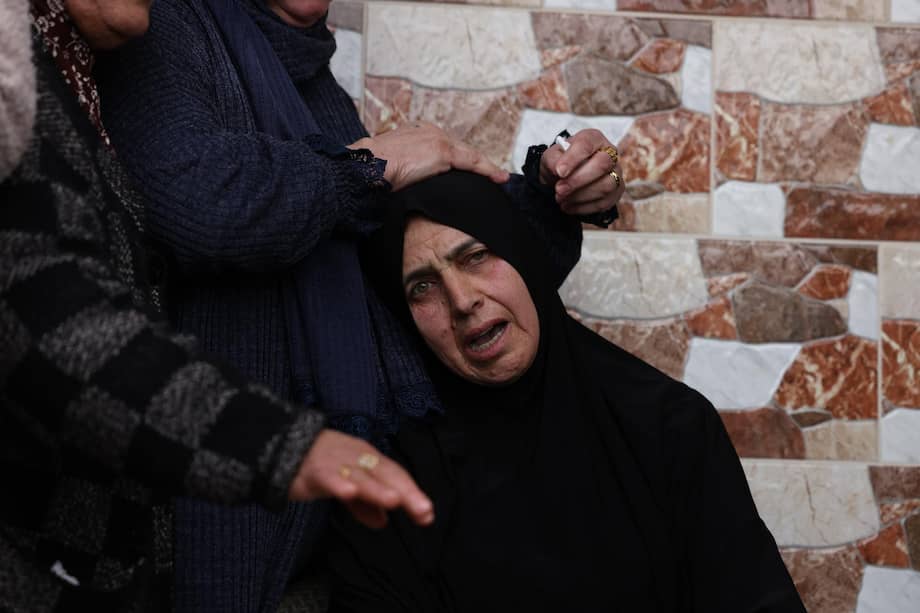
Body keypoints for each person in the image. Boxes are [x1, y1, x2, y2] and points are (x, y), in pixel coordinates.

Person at [93, 0, 626, 609]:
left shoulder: (313, 85)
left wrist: (558, 193)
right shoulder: (168, 26)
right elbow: (202, 205)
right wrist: (376, 165)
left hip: (345, 523)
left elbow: (405, 286)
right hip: (231, 509)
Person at [0, 1, 433, 609]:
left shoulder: (71, 74)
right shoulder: (28, 74)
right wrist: (281, 445)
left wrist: (545, 200)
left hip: (207, 537)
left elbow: (395, 265)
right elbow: (56, 316)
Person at [322, 170, 808, 613]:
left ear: (523, 257)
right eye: (422, 288)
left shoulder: (667, 425)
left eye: (475, 256)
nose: (462, 300)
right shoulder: (389, 486)